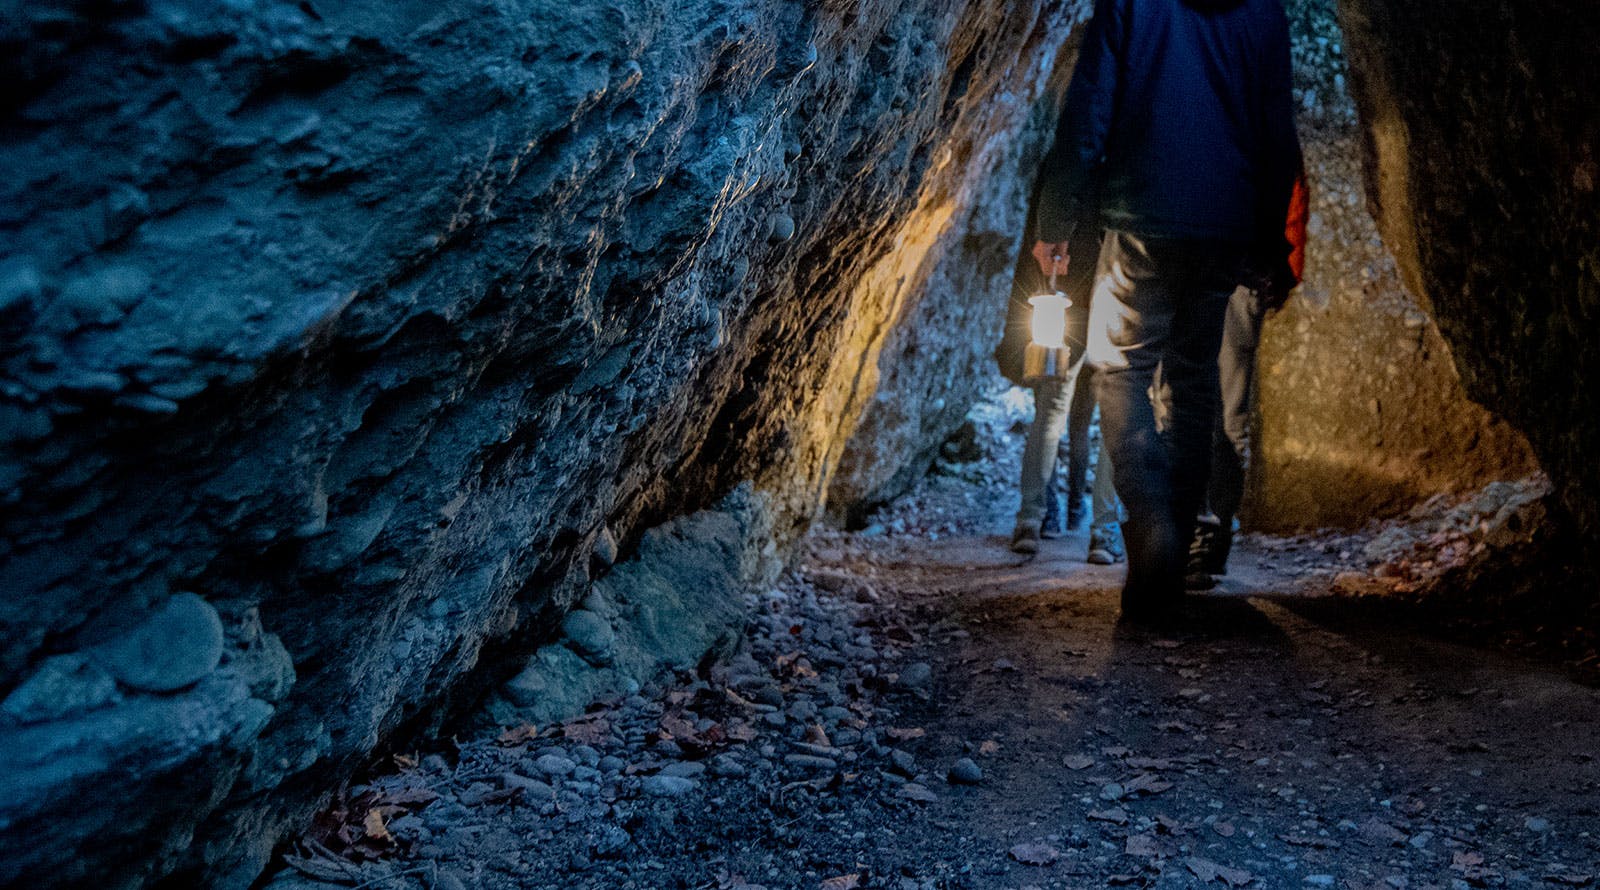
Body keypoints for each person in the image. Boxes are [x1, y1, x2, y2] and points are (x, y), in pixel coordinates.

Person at [1030, 0, 1303, 616]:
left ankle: (1152, 521)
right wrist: (1265, 240)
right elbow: (1277, 134)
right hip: (1223, 232)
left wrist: (1056, 220)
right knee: (1193, 380)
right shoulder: (1262, 13)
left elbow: (1087, 112)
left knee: (1120, 370)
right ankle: (1173, 548)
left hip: (1141, 220)